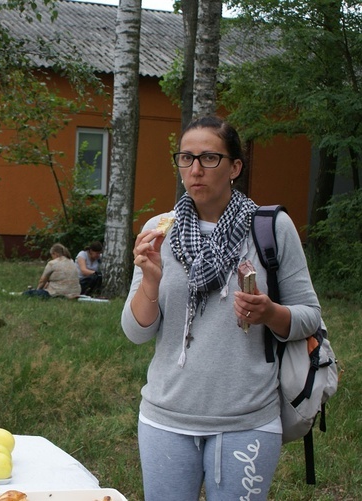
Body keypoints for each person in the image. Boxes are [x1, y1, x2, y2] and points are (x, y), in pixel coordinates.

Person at [121, 116, 321, 501]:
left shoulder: (272, 228)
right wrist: (150, 281)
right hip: (166, 418)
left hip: (248, 420)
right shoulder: (160, 229)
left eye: (210, 158)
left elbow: (309, 315)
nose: (195, 170)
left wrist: (269, 313)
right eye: (186, 158)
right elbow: (136, 331)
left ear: (235, 167)